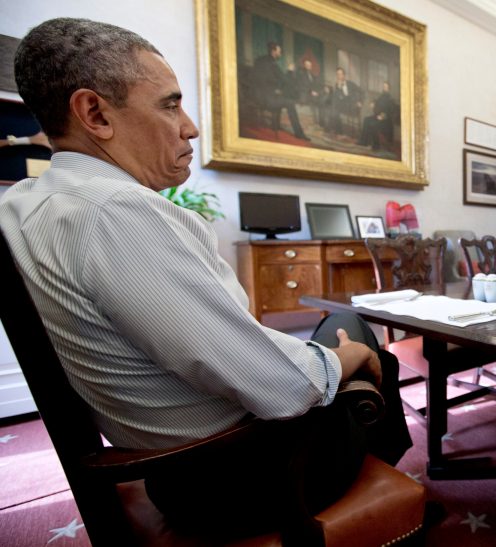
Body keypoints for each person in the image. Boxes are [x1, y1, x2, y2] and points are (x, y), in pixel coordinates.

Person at [1, 18, 411, 536]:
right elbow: (279, 386)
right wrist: (350, 356)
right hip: (244, 475)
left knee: (339, 331)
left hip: (171, 465)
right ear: (94, 113)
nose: (190, 126)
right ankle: (393, 496)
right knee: (363, 337)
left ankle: (389, 482)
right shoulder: (114, 213)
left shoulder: (21, 203)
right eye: (170, 105)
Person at [252, 42, 310, 141]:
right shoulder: (273, 64)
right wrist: (290, 70)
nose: (280, 54)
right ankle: (299, 133)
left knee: (281, 96)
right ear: (273, 51)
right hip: (266, 99)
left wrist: (276, 88)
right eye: (279, 52)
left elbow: (267, 80)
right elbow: (284, 80)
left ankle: (275, 125)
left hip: (257, 96)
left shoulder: (260, 60)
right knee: (290, 103)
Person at [358, 81, 399, 151]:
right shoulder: (382, 96)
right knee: (366, 119)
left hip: (386, 121)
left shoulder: (390, 99)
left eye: (386, 87)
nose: (384, 88)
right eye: (383, 87)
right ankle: (363, 142)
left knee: (373, 124)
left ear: (389, 89)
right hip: (378, 116)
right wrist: (373, 103)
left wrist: (383, 116)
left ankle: (375, 146)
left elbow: (390, 112)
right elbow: (377, 102)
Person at [329, 67, 363, 136]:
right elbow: (337, 97)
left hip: (353, 106)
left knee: (335, 108)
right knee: (334, 106)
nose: (339, 76)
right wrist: (338, 88)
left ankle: (336, 129)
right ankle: (337, 130)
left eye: (341, 74)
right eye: (338, 74)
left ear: (344, 75)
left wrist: (360, 101)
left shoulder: (350, 83)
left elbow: (361, 91)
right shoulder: (337, 85)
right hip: (344, 105)